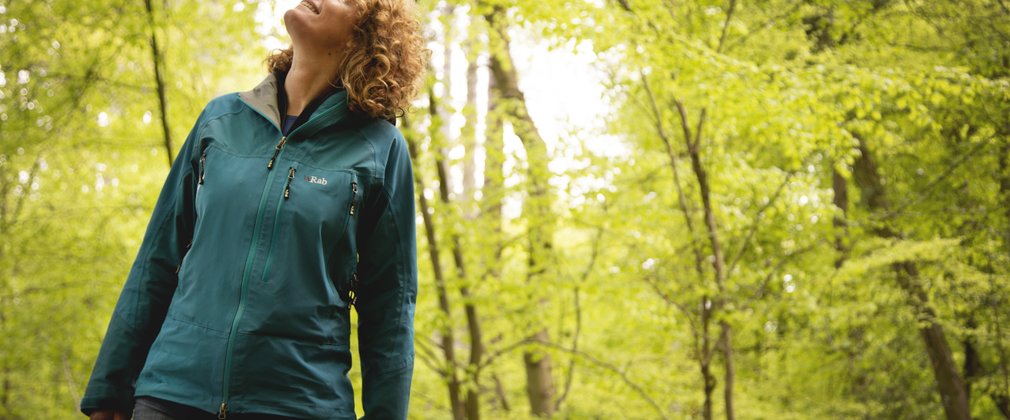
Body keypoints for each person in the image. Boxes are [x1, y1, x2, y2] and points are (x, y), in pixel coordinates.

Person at [80, 0, 426, 418]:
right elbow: (157, 258)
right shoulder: (221, 120)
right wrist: (110, 388)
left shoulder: (379, 149)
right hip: (172, 396)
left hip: (298, 403)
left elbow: (390, 308)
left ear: (365, 35)